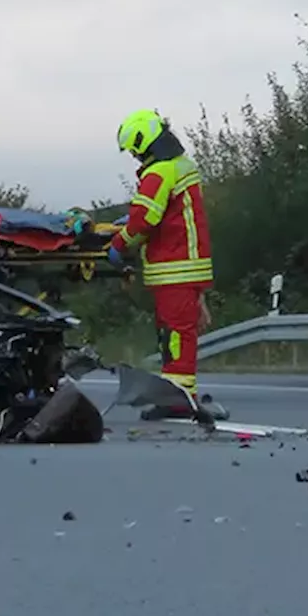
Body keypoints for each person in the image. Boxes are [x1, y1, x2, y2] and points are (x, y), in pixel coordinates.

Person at [106, 109, 227, 422]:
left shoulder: (160, 172)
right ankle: (180, 395)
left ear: (144, 143)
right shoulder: (181, 167)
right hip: (186, 265)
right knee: (177, 334)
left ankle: (180, 399)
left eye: (135, 150)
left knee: (175, 334)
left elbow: (145, 219)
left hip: (174, 266)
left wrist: (119, 244)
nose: (135, 157)